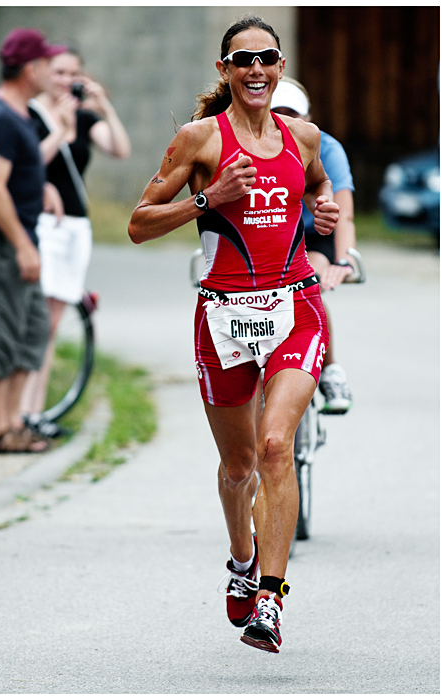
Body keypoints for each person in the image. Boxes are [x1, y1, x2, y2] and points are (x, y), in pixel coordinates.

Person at [128, 15, 339, 653]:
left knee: (276, 446)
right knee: (238, 463)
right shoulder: (199, 140)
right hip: (223, 315)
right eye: (242, 60)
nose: (255, 70)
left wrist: (322, 209)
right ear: (224, 70)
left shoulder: (304, 137)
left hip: (296, 305)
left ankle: (270, 602)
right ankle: (242, 560)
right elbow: (138, 223)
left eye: (266, 58)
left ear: (280, 67)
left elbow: (320, 187)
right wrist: (207, 199)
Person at [20, 46, 131, 437]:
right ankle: (24, 414)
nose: (66, 80)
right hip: (43, 225)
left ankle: (35, 414)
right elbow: (27, 163)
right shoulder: (29, 114)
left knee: (50, 323)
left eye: (73, 73)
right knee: (38, 323)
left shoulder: (83, 118)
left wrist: (104, 107)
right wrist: (60, 131)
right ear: (43, 72)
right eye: (60, 72)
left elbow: (120, 148)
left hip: (75, 228)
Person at [0, 28, 66, 453]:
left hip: (24, 239)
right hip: (4, 245)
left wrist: (44, 189)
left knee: (31, 330)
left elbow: (18, 178)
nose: (53, 72)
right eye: (49, 64)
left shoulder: (22, 115)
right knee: (2, 332)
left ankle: (12, 421)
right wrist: (21, 243)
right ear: (30, 68)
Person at [271, 77, 356, 413]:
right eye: (278, 115)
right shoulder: (249, 146)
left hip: (313, 235)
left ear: (307, 119)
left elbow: (343, 216)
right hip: (269, 237)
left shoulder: (327, 149)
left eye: (294, 115)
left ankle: (330, 370)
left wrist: (345, 260)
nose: (287, 123)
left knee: (310, 282)